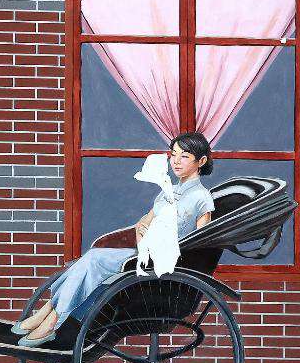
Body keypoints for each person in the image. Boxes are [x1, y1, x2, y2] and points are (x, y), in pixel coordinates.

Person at [13, 132, 216, 346]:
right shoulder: (169, 191)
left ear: (201, 161)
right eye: (173, 154)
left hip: (165, 263)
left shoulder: (201, 198)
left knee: (94, 260)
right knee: (90, 259)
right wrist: (144, 236)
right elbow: (143, 223)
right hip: (143, 252)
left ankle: (52, 319)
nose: (176, 161)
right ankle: (48, 312)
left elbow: (199, 244)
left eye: (184, 156)